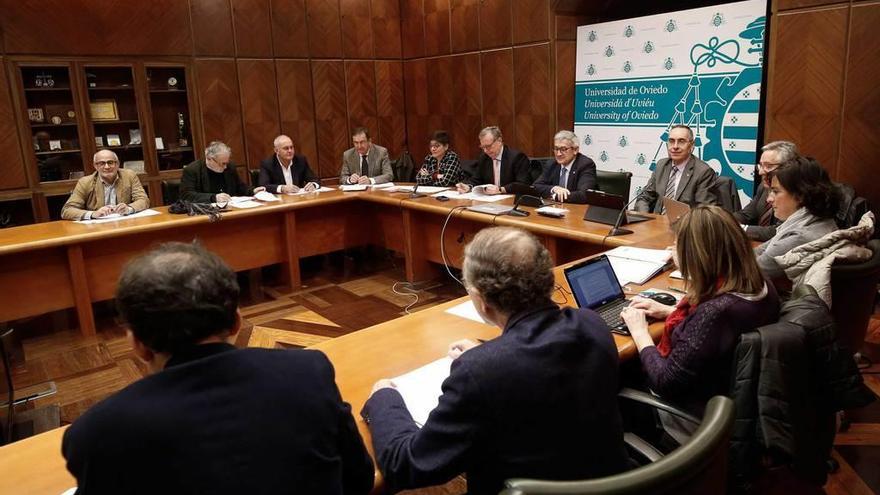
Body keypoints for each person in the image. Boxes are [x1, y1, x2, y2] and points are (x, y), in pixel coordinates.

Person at [62, 242, 374, 494]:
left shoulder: (96, 432)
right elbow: (358, 480)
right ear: (238, 321)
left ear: (137, 345)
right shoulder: (308, 372)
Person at [362, 227, 629, 495]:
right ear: (547, 278)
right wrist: (486, 354)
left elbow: (406, 465)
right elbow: (541, 365)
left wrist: (384, 398)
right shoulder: (591, 323)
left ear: (481, 300)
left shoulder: (479, 372)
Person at [621, 205, 780, 413]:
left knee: (605, 369)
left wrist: (640, 333)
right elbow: (722, 333)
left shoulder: (715, 313)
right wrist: (669, 311)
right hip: (722, 393)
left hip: (687, 414)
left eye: (676, 245)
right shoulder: (759, 282)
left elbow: (665, 381)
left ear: (697, 255)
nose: (671, 250)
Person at [754, 156, 840, 282]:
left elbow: (748, 272)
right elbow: (760, 250)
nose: (769, 199)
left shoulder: (799, 237)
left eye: (776, 192)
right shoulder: (816, 221)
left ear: (801, 195)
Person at [635, 125, 718, 213]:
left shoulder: (703, 172)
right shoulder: (661, 165)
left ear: (692, 145)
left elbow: (704, 212)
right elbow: (644, 197)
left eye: (681, 141)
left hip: (685, 225)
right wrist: (644, 217)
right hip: (656, 223)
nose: (675, 146)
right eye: (671, 141)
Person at [734, 141, 798, 241]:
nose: (760, 172)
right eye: (760, 166)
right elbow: (747, 215)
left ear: (787, 167)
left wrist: (738, 229)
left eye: (768, 166)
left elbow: (779, 231)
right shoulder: (764, 186)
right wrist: (724, 221)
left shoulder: (796, 191)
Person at [61, 150, 149, 220]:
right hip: (98, 228)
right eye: (102, 163)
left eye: (110, 162)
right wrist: (93, 214)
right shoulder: (85, 182)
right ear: (95, 166)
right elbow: (67, 210)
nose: (107, 167)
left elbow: (143, 200)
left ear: (117, 164)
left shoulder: (129, 176)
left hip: (125, 223)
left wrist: (128, 209)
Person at [180, 141, 264, 204]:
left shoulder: (230, 166)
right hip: (206, 213)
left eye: (226, 163)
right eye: (222, 164)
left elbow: (239, 186)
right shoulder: (192, 170)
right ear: (209, 159)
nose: (225, 167)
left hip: (230, 209)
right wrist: (213, 198)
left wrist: (253, 190)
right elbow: (187, 195)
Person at [455, 126, 531, 195]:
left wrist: (501, 189)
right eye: (483, 147)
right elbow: (477, 179)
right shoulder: (484, 157)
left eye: (488, 146)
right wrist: (468, 186)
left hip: (511, 199)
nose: (485, 151)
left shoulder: (517, 157)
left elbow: (523, 184)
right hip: (490, 200)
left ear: (499, 140)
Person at [531, 130, 597, 203]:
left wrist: (554, 196)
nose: (558, 154)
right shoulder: (552, 164)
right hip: (555, 208)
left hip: (576, 210)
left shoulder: (585, 164)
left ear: (575, 150)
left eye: (563, 149)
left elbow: (584, 195)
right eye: (556, 149)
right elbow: (535, 186)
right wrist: (554, 188)